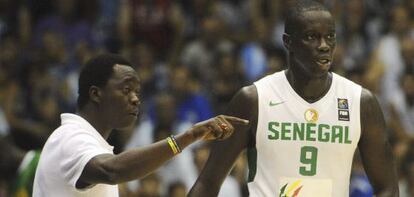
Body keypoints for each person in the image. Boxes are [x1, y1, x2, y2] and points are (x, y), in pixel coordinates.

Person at [189, 1, 399, 196]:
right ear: (288, 42)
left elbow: (387, 188)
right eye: (311, 37)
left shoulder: (360, 103)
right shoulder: (254, 100)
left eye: (330, 36)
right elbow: (208, 183)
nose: (324, 45)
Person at [32, 53, 249, 197]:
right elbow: (113, 170)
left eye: (137, 92)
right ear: (96, 94)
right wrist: (188, 137)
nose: (136, 99)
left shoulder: (90, 143)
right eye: (126, 90)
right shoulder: (70, 136)